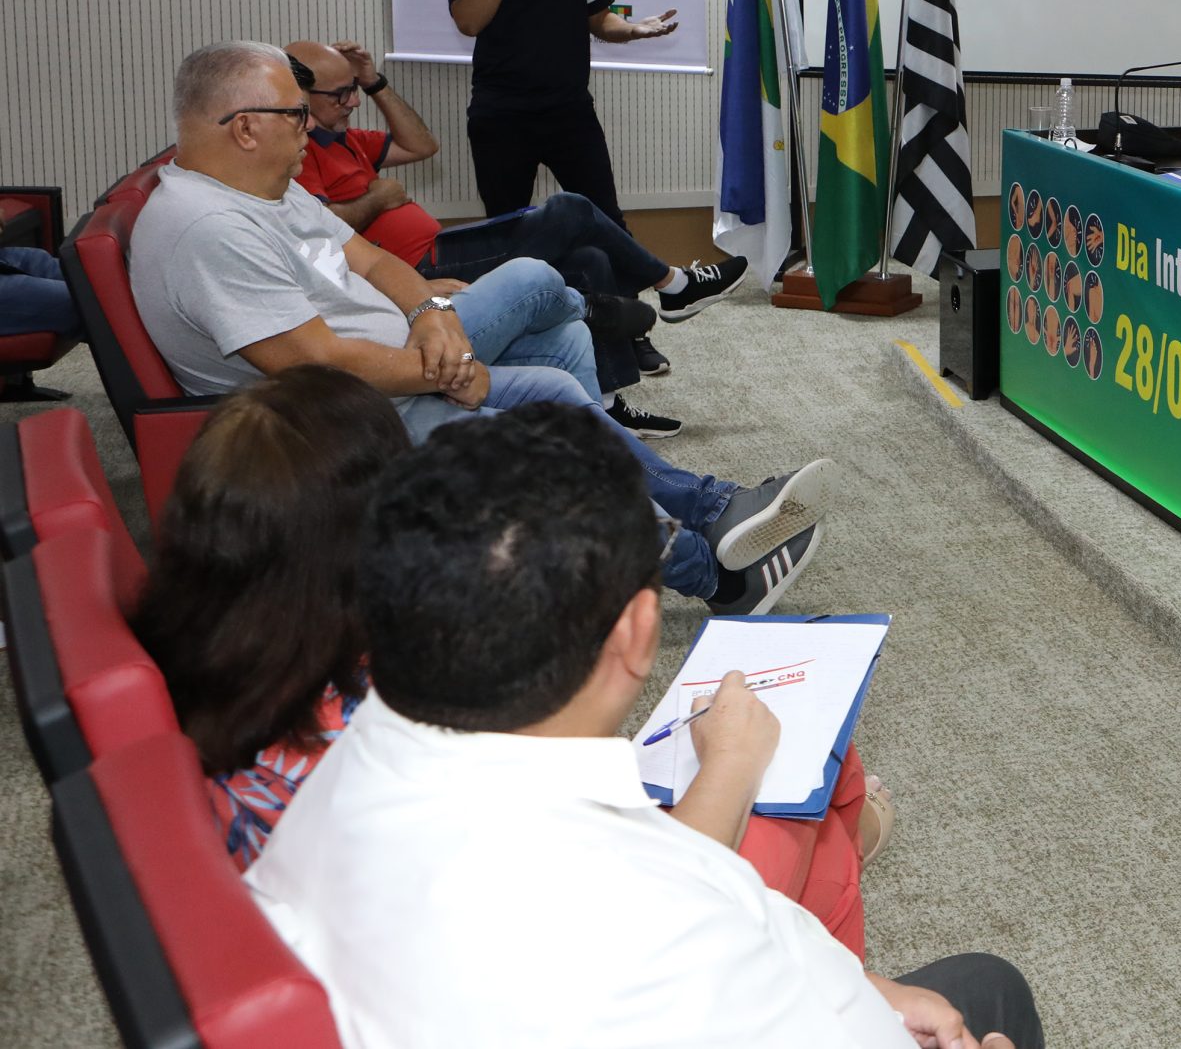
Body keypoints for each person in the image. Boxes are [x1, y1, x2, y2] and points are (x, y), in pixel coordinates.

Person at [249, 403, 1044, 1049]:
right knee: (993, 990)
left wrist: (864, 987)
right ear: (636, 633)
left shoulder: (335, 768)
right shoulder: (663, 929)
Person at [132, 367, 885, 954]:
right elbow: (623, 920)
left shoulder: (236, 663)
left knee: (806, 791)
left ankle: (834, 873)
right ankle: (837, 884)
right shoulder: (377, 740)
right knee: (793, 801)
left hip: (456, 917)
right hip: (566, 962)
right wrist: (732, 765)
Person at [128, 41, 822, 615]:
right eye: (293, 115)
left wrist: (429, 316)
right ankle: (721, 581)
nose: (308, 127)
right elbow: (320, 363)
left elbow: (367, 255)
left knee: (552, 388)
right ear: (245, 126)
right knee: (545, 455)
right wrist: (449, 367)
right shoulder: (210, 229)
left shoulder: (262, 189)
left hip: (384, 378)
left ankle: (713, 505)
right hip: (327, 427)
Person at [284, 38, 749, 433]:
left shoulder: (341, 137)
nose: (352, 101)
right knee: (569, 209)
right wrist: (377, 200)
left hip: (439, 250)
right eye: (340, 93)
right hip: (423, 268)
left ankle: (609, 403)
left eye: (352, 90)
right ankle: (671, 286)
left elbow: (422, 145)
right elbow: (329, 237)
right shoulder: (299, 155)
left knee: (592, 258)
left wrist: (373, 80)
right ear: (299, 97)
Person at [443, 0, 677, 227]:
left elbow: (601, 19)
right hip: (501, 116)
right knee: (508, 226)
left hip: (569, 112)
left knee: (605, 220)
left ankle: (621, 287)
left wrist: (634, 29)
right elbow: (470, 22)